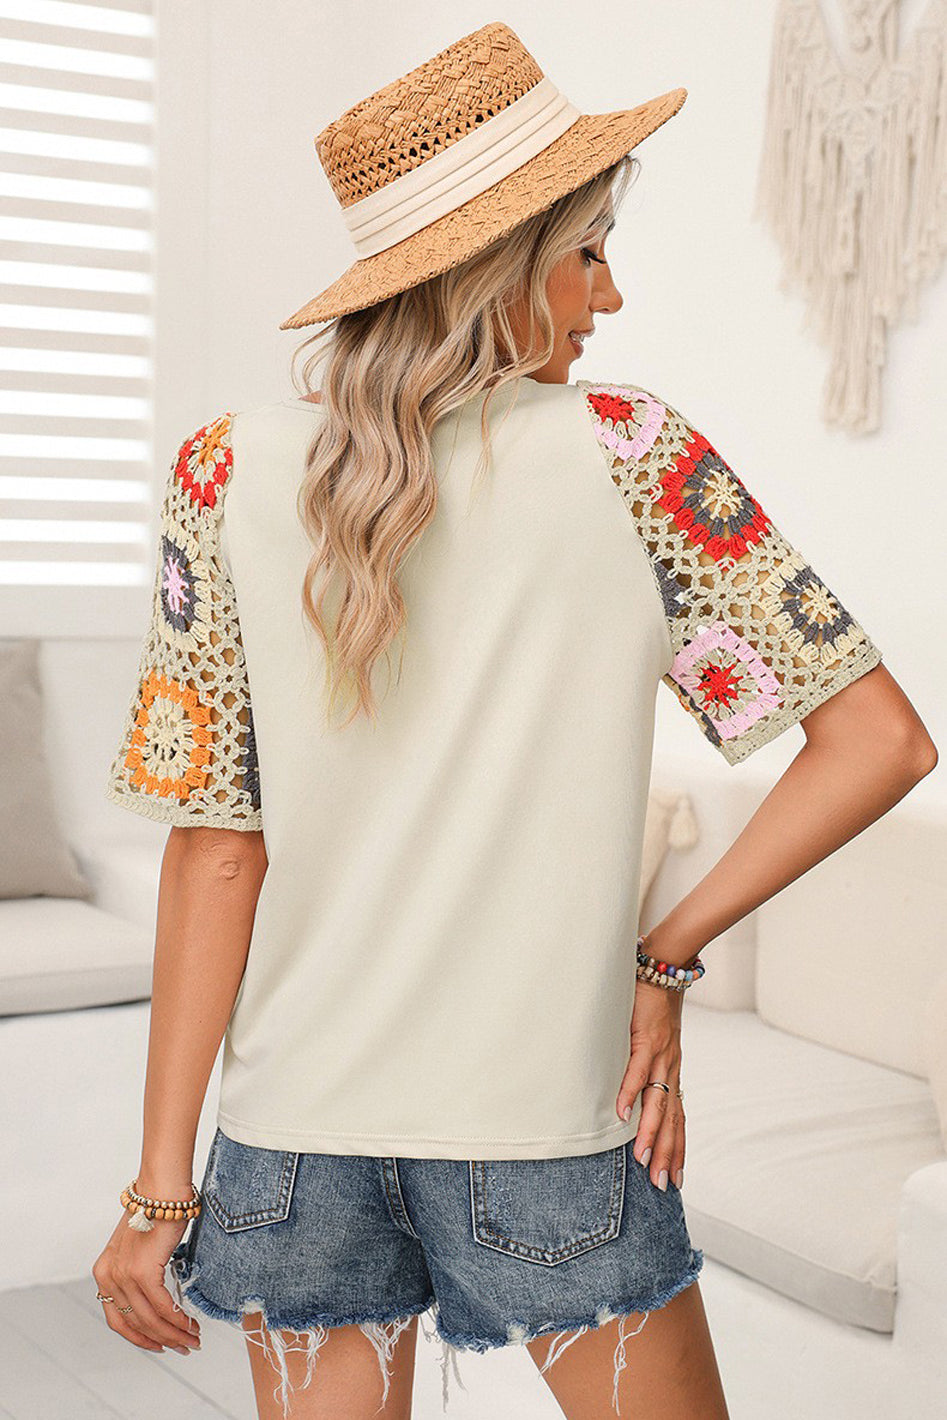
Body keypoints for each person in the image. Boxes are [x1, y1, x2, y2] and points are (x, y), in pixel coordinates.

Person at [91, 19, 937, 1420]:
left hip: (289, 1141)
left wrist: (158, 1187)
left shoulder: (221, 472)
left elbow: (216, 850)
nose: (610, 294)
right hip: (548, 1126)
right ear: (496, 270)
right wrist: (664, 957)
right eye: (588, 253)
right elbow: (883, 742)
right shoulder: (634, 457)